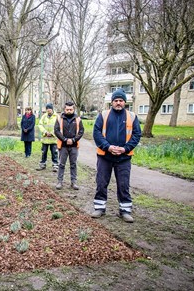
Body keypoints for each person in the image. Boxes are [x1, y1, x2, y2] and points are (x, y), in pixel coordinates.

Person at [91, 89, 141, 223]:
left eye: (121, 100)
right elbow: (96, 133)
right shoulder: (103, 115)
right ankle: (99, 208)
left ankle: (125, 211)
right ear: (111, 102)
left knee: (123, 184)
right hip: (105, 157)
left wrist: (125, 149)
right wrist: (108, 147)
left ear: (125, 102)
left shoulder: (132, 116)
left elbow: (136, 135)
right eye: (116, 100)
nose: (118, 103)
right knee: (101, 182)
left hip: (123, 158)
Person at [54, 102, 84, 190]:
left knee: (73, 164)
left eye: (71, 109)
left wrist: (74, 140)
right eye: (67, 109)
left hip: (74, 146)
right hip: (63, 146)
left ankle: (73, 182)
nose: (69, 111)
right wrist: (65, 140)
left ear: (73, 109)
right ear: (64, 109)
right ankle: (59, 182)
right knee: (61, 164)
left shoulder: (78, 119)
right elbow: (56, 131)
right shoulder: (59, 118)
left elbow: (81, 131)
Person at [36, 103, 58, 171]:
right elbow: (40, 125)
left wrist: (52, 133)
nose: (48, 110)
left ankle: (55, 165)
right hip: (45, 138)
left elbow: (59, 126)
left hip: (53, 139)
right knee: (44, 152)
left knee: (54, 152)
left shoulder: (57, 116)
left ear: (52, 109)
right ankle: (43, 164)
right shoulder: (44, 116)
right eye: (47, 109)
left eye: (50, 109)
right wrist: (45, 132)